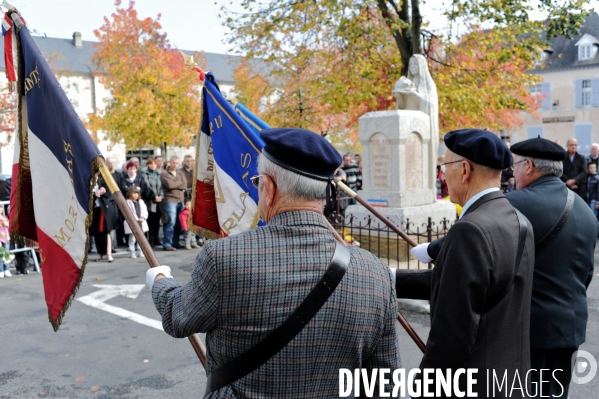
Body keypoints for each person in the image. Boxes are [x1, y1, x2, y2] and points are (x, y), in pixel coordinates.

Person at [147, 128, 399, 397]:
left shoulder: (223, 258)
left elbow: (178, 318)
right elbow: (385, 384)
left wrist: (159, 280)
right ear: (324, 193)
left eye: (256, 182)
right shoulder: (376, 272)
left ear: (268, 187)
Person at [415, 136, 599, 398]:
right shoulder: (584, 210)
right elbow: (587, 274)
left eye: (515, 166)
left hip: (531, 332)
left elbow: (478, 237)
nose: (513, 173)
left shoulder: (516, 203)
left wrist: (428, 250)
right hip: (570, 329)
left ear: (530, 166)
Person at [396, 128, 535, 396]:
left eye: (443, 165)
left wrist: (423, 389)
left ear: (464, 170)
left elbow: (451, 339)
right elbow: (469, 286)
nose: (441, 174)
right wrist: (389, 278)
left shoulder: (470, 229)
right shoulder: (518, 219)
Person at [160, 156, 187, 251]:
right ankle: (167, 244)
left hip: (180, 200)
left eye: (177, 163)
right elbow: (169, 185)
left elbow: (185, 184)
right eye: (173, 163)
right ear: (170, 163)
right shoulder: (164, 174)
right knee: (170, 222)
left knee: (179, 223)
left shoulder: (180, 172)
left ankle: (176, 242)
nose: (175, 165)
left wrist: (176, 183)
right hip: (170, 200)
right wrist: (179, 183)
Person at [91, 175, 119, 262]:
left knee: (106, 231)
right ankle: (100, 253)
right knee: (96, 232)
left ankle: (109, 253)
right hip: (94, 208)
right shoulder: (88, 179)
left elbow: (110, 193)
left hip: (104, 208)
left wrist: (103, 191)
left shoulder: (104, 179)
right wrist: (94, 194)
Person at [142, 158, 164, 247]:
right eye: (151, 164)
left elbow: (162, 187)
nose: (153, 165)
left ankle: (156, 238)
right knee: (151, 221)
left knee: (157, 221)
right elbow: (147, 187)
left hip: (159, 201)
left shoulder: (158, 174)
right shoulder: (145, 174)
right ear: (148, 165)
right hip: (151, 201)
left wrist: (161, 196)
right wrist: (154, 196)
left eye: (154, 164)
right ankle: (150, 239)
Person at [124, 187, 148, 259]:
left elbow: (145, 211)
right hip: (133, 223)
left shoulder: (141, 202)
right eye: (134, 193)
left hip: (141, 222)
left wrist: (143, 217)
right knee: (132, 238)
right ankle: (132, 252)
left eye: (137, 193)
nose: (135, 195)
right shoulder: (127, 202)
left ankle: (140, 251)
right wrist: (136, 219)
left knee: (141, 239)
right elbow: (129, 212)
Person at [0, 206, 11, 278]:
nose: (0, 209)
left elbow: (8, 224)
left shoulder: (4, 218)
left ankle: (7, 269)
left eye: (0, 207)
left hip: (6, 238)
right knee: (1, 255)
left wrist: (5, 223)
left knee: (6, 253)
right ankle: (1, 270)